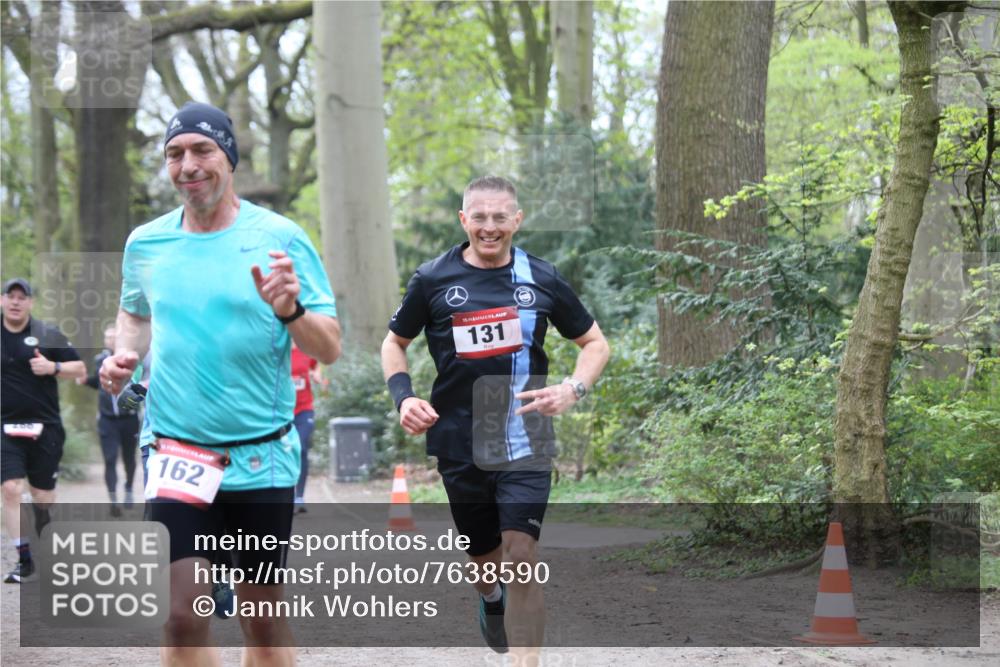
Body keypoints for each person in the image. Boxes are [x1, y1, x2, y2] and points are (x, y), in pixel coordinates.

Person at [100, 102, 340, 667]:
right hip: (176, 451)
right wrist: (123, 355)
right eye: (174, 154)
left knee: (262, 621)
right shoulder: (146, 244)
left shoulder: (279, 237)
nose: (188, 165)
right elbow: (133, 311)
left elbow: (328, 345)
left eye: (202, 150)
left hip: (261, 455)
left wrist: (290, 310)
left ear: (228, 158)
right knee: (182, 616)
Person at [380, 176, 610, 665]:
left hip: (526, 437)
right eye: (479, 217)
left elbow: (595, 343)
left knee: (521, 555)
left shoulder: (541, 277)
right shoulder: (433, 278)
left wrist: (573, 388)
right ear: (463, 220)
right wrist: (404, 399)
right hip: (459, 441)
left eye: (500, 217)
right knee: (485, 562)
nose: (489, 227)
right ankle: (489, 597)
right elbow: (393, 343)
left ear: (517, 220)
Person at [1, 278, 87, 583]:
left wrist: (54, 368)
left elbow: (80, 369)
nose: (15, 301)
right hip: (5, 428)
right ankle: (24, 561)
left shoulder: (47, 334)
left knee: (42, 496)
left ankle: (43, 517)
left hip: (45, 429)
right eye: (10, 296)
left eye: (21, 297)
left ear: (31, 303)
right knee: (11, 489)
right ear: (2, 300)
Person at [77, 325, 140, 516]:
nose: (110, 341)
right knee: (110, 458)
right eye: (107, 337)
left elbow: (139, 384)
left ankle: (129, 488)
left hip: (129, 419)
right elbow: (99, 383)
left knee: (129, 458)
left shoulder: (131, 360)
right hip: (107, 420)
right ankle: (113, 499)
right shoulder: (100, 360)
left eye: (113, 337)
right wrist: (85, 380)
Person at [290, 344, 326, 513]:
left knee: (301, 447)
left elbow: (316, 364)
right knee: (288, 451)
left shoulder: (305, 350)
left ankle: (299, 496)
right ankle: (288, 493)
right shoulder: (277, 350)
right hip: (283, 412)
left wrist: (316, 374)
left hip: (304, 409)